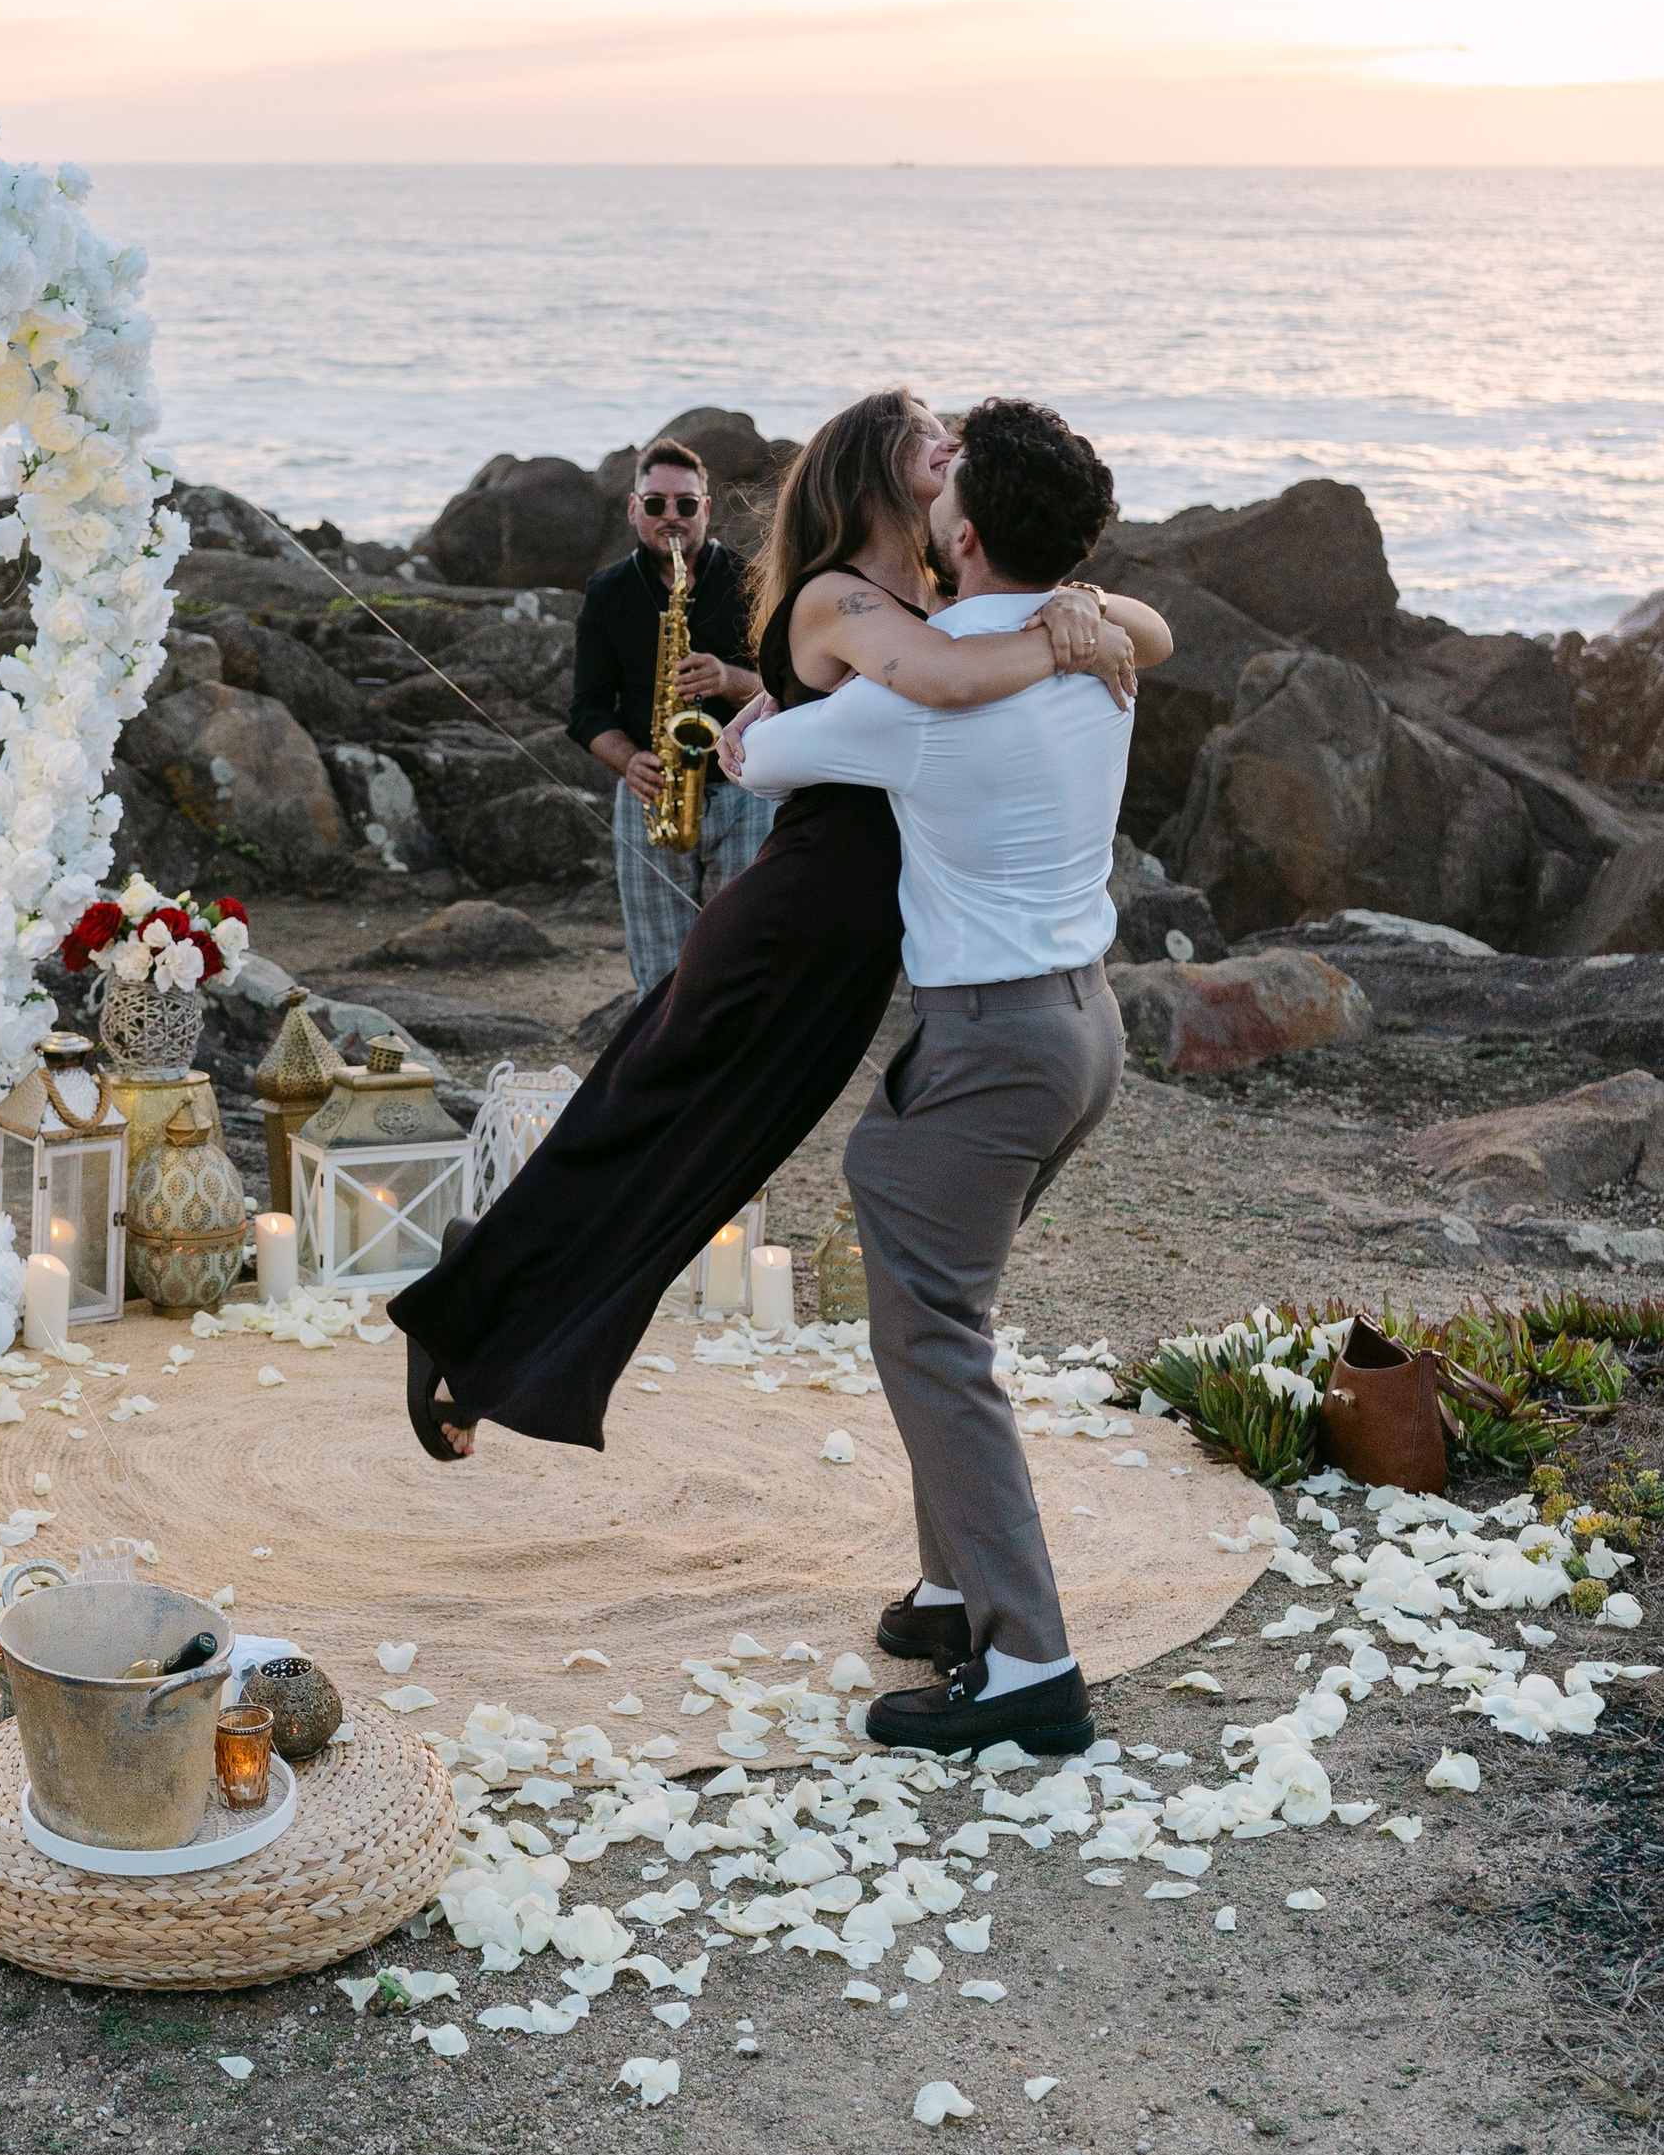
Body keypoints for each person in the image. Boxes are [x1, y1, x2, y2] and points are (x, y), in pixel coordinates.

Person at [392, 389, 1172, 1462]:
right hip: (788, 922)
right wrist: (1061, 629)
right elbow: (946, 681)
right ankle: (464, 1312)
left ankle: (486, 1324)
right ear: (873, 471)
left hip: (853, 945)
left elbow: (1126, 633)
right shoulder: (833, 598)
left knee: (708, 1164)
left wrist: (1078, 605)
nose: (949, 449)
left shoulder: (933, 591)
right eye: (926, 438)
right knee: (638, 1125)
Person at [720, 396, 1142, 1763]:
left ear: (959, 532)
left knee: (936, 1335)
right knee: (936, 1300)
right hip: (1085, 1032)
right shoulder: (1093, 647)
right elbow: (1136, 625)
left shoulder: (920, 688)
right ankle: (956, 1586)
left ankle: (1029, 1660)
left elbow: (762, 758)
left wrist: (756, 719)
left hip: (993, 1047)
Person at [567, 436, 768, 997]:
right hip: (651, 793)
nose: (671, 516)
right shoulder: (608, 593)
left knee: (739, 957)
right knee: (658, 975)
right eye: (655, 504)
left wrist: (730, 680)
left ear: (706, 508)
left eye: (685, 503)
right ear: (634, 509)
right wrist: (630, 762)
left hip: (744, 789)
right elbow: (586, 710)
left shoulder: (752, 583)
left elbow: (792, 691)